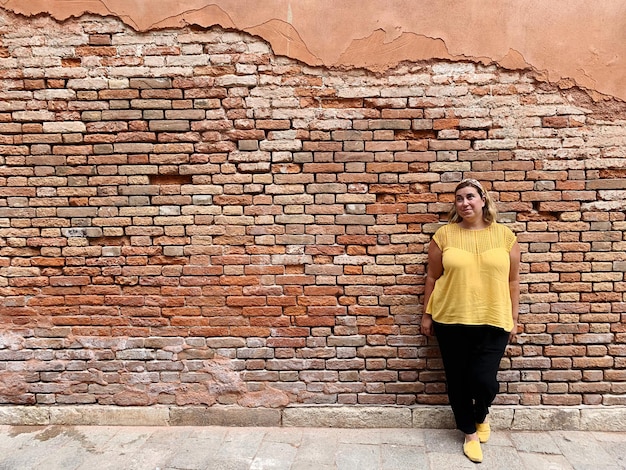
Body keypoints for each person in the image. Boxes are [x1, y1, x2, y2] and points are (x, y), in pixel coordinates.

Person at [420, 178, 520, 464]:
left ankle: (480, 415)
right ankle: (469, 433)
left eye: (470, 197)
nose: (464, 203)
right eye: (459, 198)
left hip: (494, 318)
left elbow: (513, 280)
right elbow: (432, 277)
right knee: (458, 380)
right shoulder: (444, 236)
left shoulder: (505, 236)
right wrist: (426, 314)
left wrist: (513, 318)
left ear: (483, 200)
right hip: (451, 318)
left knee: (484, 381)